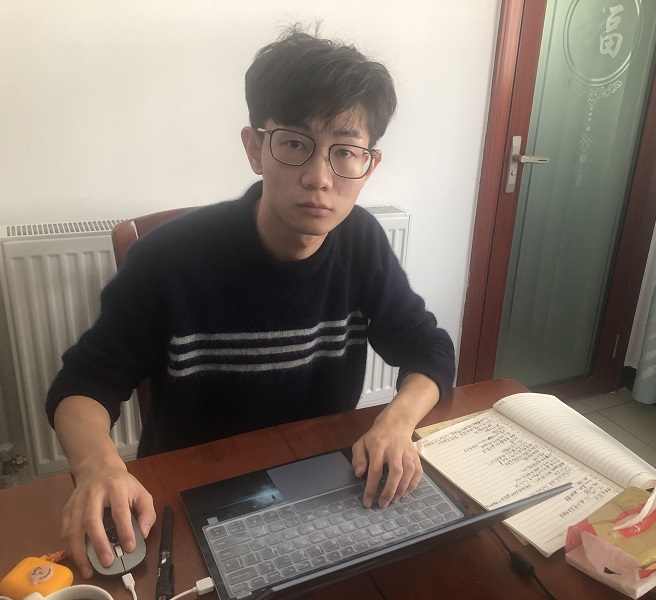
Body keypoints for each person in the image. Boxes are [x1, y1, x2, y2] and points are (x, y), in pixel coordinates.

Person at [45, 26, 455, 580]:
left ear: (369, 165)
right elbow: (82, 384)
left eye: (345, 152)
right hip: (193, 503)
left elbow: (429, 348)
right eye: (294, 143)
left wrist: (396, 423)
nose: (319, 178)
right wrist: (99, 468)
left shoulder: (361, 242)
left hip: (325, 488)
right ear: (254, 148)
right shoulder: (170, 258)